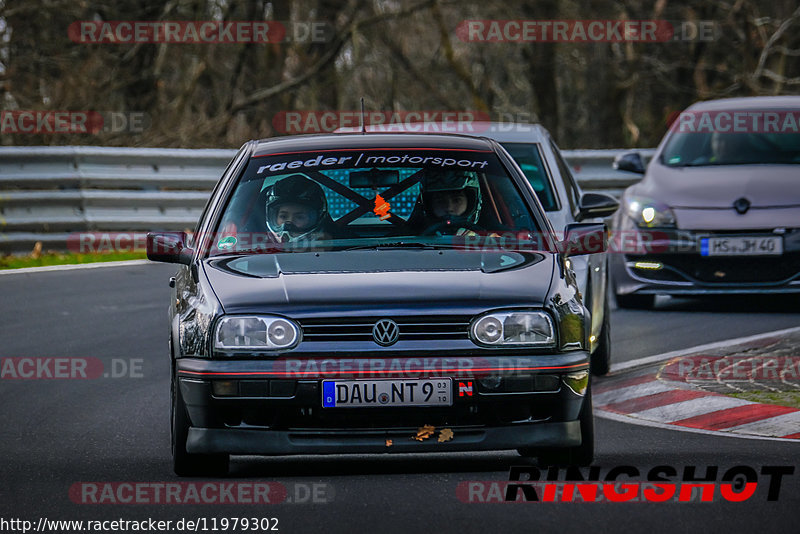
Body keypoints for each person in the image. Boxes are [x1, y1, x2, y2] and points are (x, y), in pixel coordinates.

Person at [264, 174, 335, 243]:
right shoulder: (258, 250)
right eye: (283, 216)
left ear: (316, 219)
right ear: (274, 217)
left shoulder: (340, 249)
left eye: (299, 217)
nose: (288, 225)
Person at [417, 169, 483, 235]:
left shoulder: (489, 239)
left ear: (471, 202)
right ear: (429, 205)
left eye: (457, 200)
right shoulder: (414, 240)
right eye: (440, 201)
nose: (449, 208)